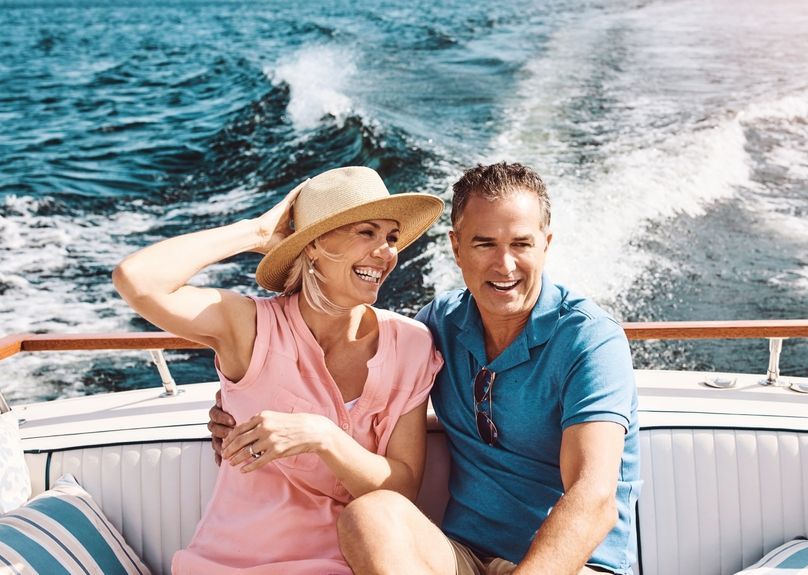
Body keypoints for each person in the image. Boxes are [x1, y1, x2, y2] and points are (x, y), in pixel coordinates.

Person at [213, 162, 640, 574]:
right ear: (456, 247)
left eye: (522, 244)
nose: (505, 265)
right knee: (372, 516)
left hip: (571, 565)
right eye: (484, 243)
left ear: (547, 244)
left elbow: (593, 495)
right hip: (461, 558)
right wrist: (243, 410)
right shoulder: (437, 325)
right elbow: (378, 392)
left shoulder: (590, 340)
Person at [114, 166, 445, 575]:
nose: (387, 252)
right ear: (314, 245)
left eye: (391, 237)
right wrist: (254, 233)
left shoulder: (410, 343)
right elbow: (136, 279)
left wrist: (322, 436)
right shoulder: (249, 327)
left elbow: (401, 489)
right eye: (367, 233)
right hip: (230, 566)